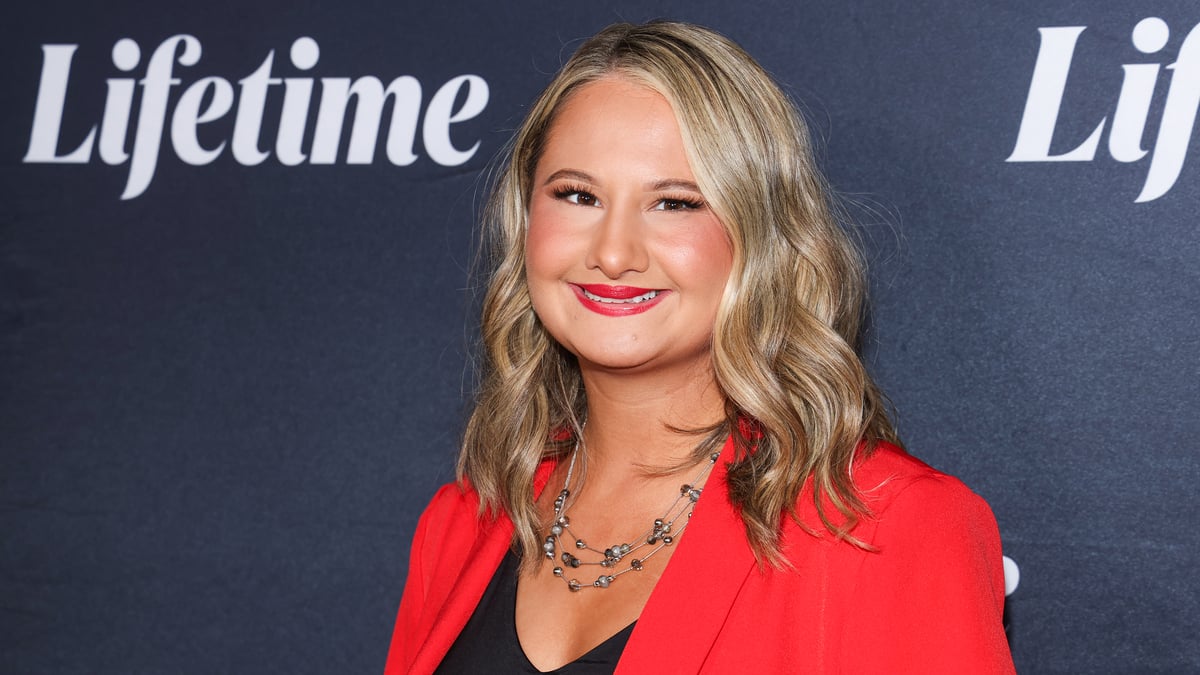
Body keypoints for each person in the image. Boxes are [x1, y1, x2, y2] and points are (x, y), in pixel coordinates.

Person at [384, 20, 1015, 674]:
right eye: (578, 195)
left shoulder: (892, 526)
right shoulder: (461, 522)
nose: (612, 252)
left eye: (675, 203)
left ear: (760, 237)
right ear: (526, 221)